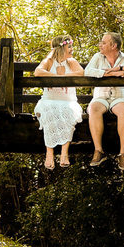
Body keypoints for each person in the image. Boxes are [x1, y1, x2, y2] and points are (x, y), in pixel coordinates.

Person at [84, 31, 124, 171]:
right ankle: (98, 151)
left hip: (119, 97)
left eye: (104, 42)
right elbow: (88, 71)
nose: (100, 45)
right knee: (94, 108)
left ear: (113, 45)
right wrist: (111, 73)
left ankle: (123, 153)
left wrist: (122, 68)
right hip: (101, 97)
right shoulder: (98, 57)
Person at [33, 34, 84, 170]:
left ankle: (64, 153)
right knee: (49, 112)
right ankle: (49, 154)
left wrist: (64, 77)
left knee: (69, 113)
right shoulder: (49, 61)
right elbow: (38, 72)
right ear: (61, 48)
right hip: (49, 100)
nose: (72, 49)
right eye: (69, 47)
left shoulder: (71, 62)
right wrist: (55, 77)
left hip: (68, 101)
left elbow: (81, 73)